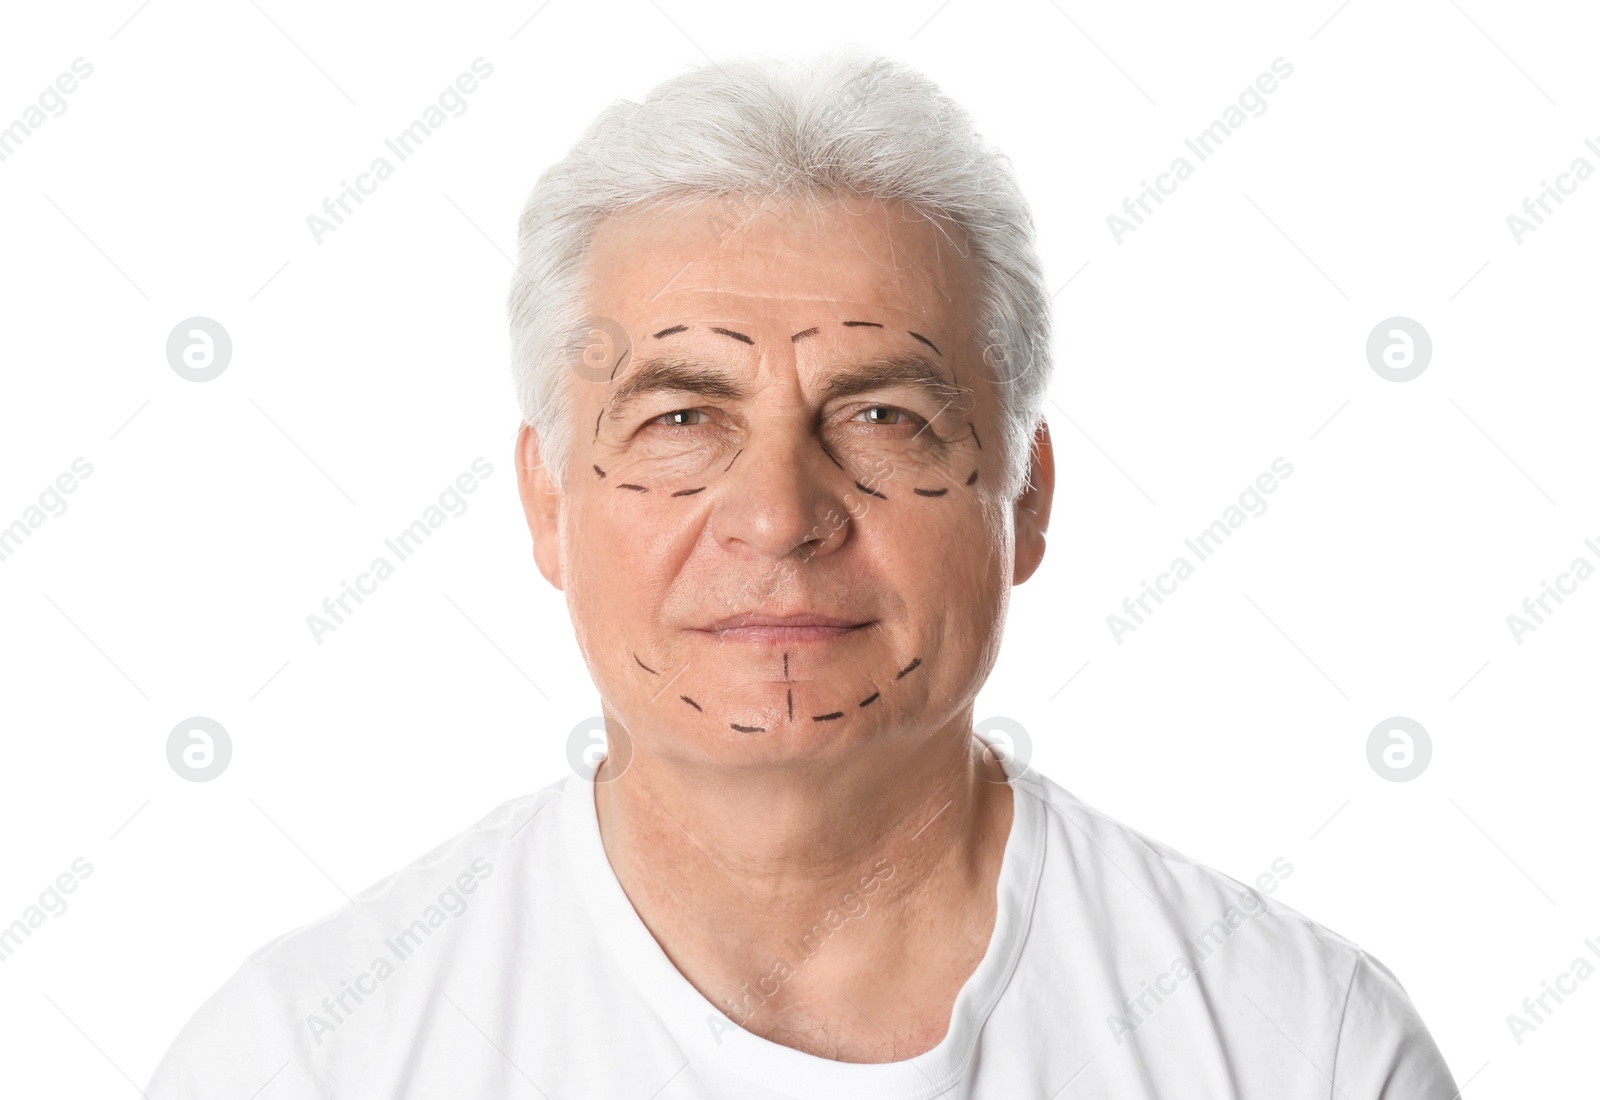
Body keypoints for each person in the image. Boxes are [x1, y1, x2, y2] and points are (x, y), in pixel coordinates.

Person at [146, 51, 1458, 1098]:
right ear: (547, 502)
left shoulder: (1305, 1051)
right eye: (677, 422)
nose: (776, 516)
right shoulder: (304, 1058)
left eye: (884, 418)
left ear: (1027, 499)